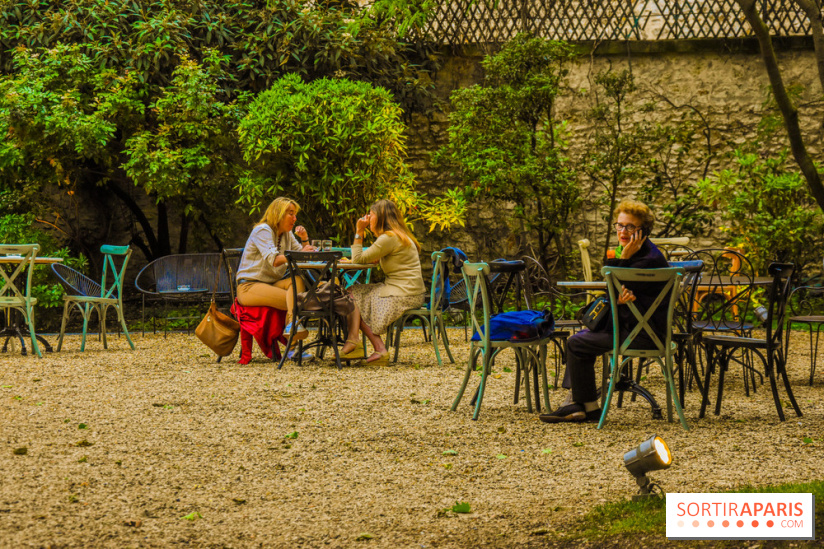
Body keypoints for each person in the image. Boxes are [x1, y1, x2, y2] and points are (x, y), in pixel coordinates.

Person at [541, 199, 669, 423]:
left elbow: (612, 290)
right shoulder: (643, 253)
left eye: (630, 227)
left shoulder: (646, 260)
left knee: (576, 343)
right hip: (633, 328)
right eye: (620, 225)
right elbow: (614, 295)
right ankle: (582, 406)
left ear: (644, 231)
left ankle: (584, 407)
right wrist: (617, 296)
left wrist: (623, 259)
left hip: (642, 335)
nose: (623, 231)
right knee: (581, 338)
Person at [339, 199, 426, 365]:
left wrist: (359, 231)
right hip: (409, 290)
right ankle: (359, 342)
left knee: (354, 299)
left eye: (371, 215)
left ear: (380, 217)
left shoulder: (389, 238)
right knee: (352, 294)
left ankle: (368, 346)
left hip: (403, 293)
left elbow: (358, 259)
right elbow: (368, 258)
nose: (368, 218)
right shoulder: (398, 236)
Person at [235, 197, 315, 340]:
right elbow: (275, 260)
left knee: (297, 280)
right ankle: (293, 337)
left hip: (270, 284)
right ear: (278, 214)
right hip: (249, 286)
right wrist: (300, 253)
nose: (295, 218)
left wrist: (304, 239)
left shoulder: (286, 234)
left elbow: (302, 256)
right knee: (297, 301)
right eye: (291, 213)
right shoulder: (262, 230)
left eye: (295, 214)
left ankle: (291, 326)